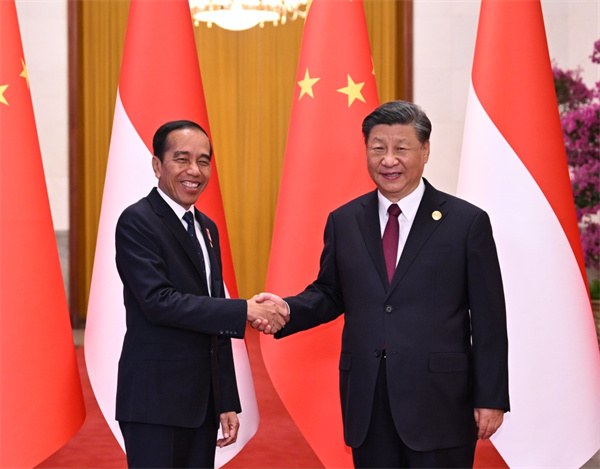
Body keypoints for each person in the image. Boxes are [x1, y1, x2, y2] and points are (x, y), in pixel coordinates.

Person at [258, 101, 509, 468]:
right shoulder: (344, 221)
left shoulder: (465, 223)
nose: (389, 160)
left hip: (440, 403)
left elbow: (489, 318)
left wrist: (491, 397)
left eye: (401, 148)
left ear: (425, 150)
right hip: (368, 400)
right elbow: (330, 293)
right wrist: (287, 309)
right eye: (378, 148)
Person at [115, 120, 287, 468]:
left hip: (202, 404)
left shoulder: (207, 228)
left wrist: (225, 400)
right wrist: (244, 310)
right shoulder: (137, 221)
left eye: (203, 161)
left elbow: (214, 316)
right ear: (157, 165)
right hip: (155, 402)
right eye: (182, 159)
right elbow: (159, 302)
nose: (194, 170)